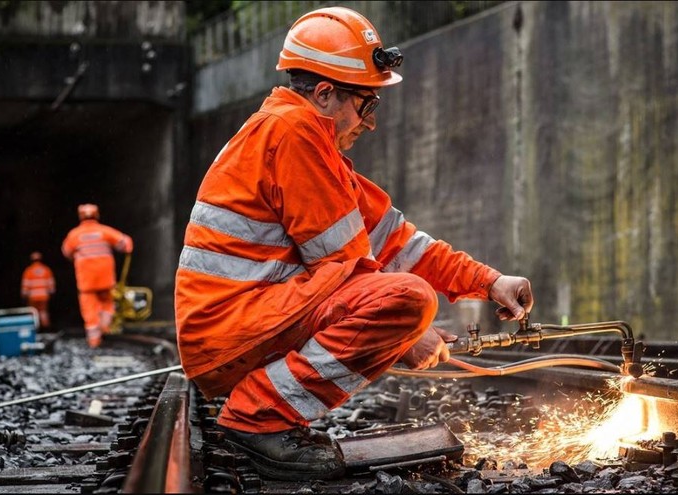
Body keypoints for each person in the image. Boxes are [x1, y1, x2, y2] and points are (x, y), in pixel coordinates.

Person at [174, 6, 533, 481]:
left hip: (241, 321)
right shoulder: (292, 133)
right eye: (367, 104)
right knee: (410, 298)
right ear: (325, 94)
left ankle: (263, 411)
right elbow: (346, 268)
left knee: (405, 294)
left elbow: (397, 242)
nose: (370, 121)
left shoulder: (305, 143)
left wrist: (489, 282)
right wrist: (407, 331)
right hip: (232, 327)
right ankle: (258, 418)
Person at [61, 204, 133, 348]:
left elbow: (66, 252)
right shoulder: (105, 231)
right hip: (105, 279)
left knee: (89, 310)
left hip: (86, 281)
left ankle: (94, 340)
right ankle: (104, 329)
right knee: (107, 304)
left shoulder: (74, 235)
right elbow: (125, 243)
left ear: (80, 216)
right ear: (97, 215)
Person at [20, 251, 56, 330]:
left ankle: (33, 328)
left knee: (32, 313)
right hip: (44, 296)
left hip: (33, 297)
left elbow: (25, 285)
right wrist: (51, 292)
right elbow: (51, 284)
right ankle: (46, 328)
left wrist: (24, 295)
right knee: (43, 312)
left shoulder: (28, 271)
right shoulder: (46, 270)